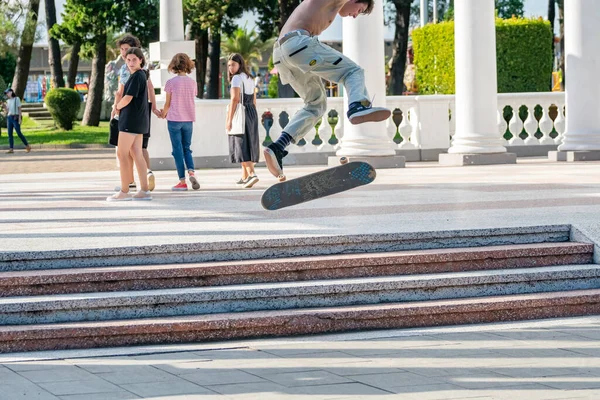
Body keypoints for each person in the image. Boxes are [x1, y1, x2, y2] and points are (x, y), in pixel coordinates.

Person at [264, 0, 391, 179]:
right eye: (359, 10)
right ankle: (357, 106)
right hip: (299, 44)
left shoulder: (330, 7)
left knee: (315, 105)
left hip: (282, 54)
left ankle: (277, 147)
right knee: (353, 71)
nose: (355, 15)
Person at [111, 34, 160, 192]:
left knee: (124, 152)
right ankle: (142, 183)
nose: (124, 54)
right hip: (138, 111)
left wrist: (116, 107)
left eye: (127, 50)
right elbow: (148, 89)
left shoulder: (135, 73)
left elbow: (123, 94)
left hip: (131, 112)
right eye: (123, 51)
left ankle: (127, 186)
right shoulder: (139, 72)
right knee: (137, 150)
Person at [107, 47, 152, 202]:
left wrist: (116, 107)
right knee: (136, 153)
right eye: (128, 59)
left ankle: (124, 191)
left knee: (122, 154)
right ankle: (144, 190)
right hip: (138, 121)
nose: (131, 62)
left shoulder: (136, 76)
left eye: (134, 59)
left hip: (130, 121)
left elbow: (127, 98)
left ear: (141, 60)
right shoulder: (141, 76)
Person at [160, 53, 200, 191]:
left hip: (174, 120)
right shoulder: (192, 83)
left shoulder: (171, 83)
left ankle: (182, 182)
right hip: (188, 120)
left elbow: (167, 104)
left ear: (174, 65)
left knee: (177, 150)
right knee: (187, 148)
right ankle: (191, 172)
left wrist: (162, 114)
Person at [226, 53, 260, 189]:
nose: (230, 68)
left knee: (240, 144)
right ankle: (245, 177)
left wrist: (229, 119)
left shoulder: (236, 79)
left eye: (233, 65)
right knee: (248, 143)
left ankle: (252, 174)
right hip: (251, 112)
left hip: (241, 112)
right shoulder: (249, 78)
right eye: (229, 65)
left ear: (240, 64)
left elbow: (234, 99)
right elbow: (254, 100)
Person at [3, 88, 31, 154]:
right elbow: (7, 111)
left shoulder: (17, 99)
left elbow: (19, 109)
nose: (7, 94)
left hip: (15, 117)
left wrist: (20, 118)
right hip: (9, 117)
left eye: (7, 93)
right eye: (6, 93)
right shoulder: (8, 101)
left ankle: (27, 146)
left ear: (11, 92)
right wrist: (3, 105)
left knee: (19, 133)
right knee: (10, 134)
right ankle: (11, 149)